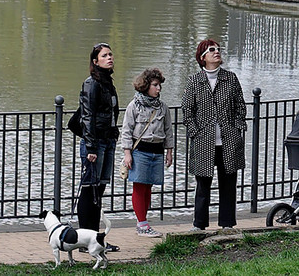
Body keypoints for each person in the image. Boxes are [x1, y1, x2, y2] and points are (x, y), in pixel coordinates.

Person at [182, 39, 247, 231]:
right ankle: (199, 224)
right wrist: (195, 132)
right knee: (203, 186)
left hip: (228, 141)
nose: (217, 52)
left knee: (228, 185)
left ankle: (227, 224)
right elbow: (187, 110)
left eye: (218, 49)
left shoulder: (230, 78)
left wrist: (236, 129)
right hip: (203, 142)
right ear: (203, 57)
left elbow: (240, 107)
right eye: (212, 50)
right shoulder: (195, 81)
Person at [120, 68, 174, 237]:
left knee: (149, 187)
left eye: (159, 86)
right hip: (140, 151)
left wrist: (169, 152)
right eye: (155, 85)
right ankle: (142, 223)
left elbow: (168, 131)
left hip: (156, 151)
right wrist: (127, 153)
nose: (158, 89)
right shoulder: (134, 105)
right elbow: (127, 130)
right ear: (146, 86)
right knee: (139, 186)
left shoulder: (163, 107)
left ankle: (143, 222)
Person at [77, 42, 120, 252]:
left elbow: (110, 114)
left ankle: (95, 240)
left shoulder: (107, 83)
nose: (110, 57)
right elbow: (88, 117)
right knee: (89, 190)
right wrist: (91, 147)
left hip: (108, 140)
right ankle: (86, 241)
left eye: (110, 54)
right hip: (95, 144)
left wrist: (114, 135)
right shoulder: (91, 83)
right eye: (105, 55)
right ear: (95, 61)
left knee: (99, 190)